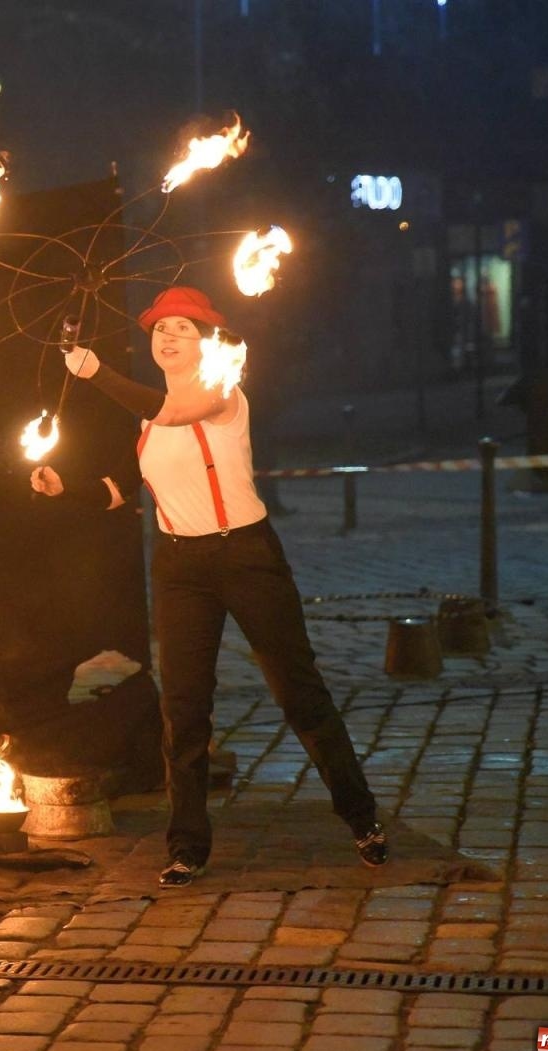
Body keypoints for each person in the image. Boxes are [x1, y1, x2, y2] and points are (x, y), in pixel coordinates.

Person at [30, 286, 386, 888]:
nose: (167, 336)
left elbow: (173, 411)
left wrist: (95, 372)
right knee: (184, 710)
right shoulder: (150, 419)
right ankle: (187, 847)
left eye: (183, 328)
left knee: (300, 694)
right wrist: (67, 491)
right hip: (180, 569)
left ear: (207, 341)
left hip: (247, 558)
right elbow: (121, 490)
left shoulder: (223, 392)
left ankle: (363, 818)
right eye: (158, 328)